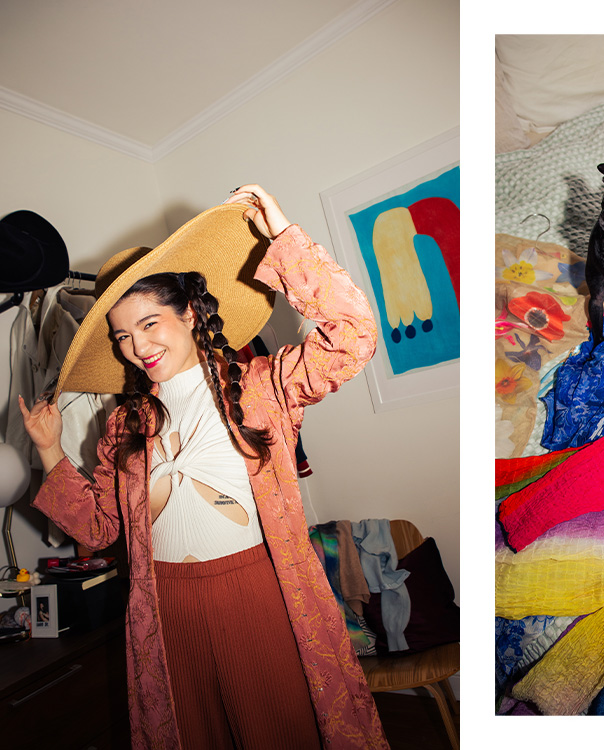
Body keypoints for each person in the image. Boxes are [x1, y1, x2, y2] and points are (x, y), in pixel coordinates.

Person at [19, 186, 388, 749]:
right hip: (166, 611)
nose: (135, 345)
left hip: (258, 592)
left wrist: (283, 238)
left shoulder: (264, 385)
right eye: (121, 335)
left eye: (149, 323)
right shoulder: (124, 426)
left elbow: (354, 335)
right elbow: (100, 531)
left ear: (189, 314)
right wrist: (49, 450)